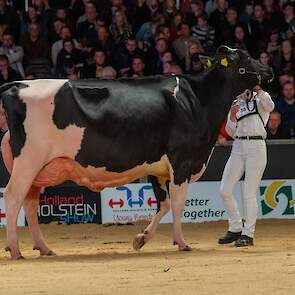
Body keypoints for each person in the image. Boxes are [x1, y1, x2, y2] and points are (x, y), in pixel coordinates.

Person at [219, 85, 274, 247]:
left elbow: (271, 106)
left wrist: (259, 90)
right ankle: (235, 227)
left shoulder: (261, 98)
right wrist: (233, 117)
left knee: (249, 192)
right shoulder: (236, 102)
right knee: (224, 190)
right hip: (238, 145)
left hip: (256, 145)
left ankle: (248, 234)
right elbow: (230, 131)